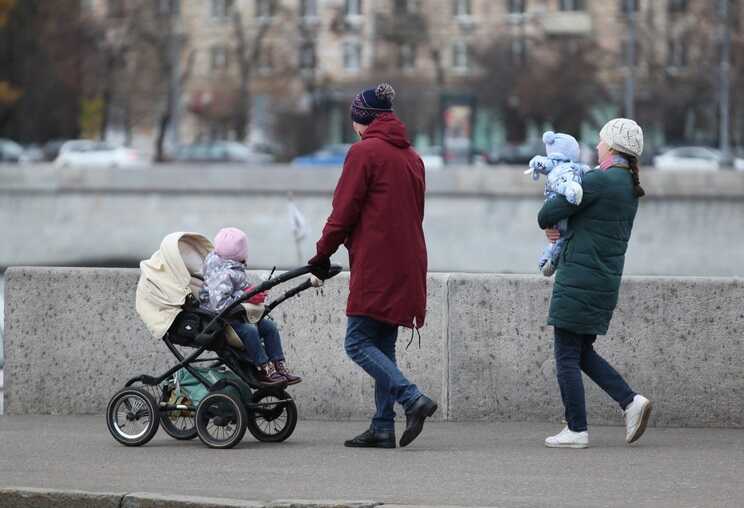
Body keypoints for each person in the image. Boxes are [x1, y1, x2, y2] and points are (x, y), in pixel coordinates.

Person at [308, 83, 437, 449]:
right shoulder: (413, 157)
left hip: (376, 263)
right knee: (382, 342)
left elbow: (343, 212)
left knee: (357, 342)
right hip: (409, 261)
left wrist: (321, 255)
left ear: (361, 120)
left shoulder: (364, 153)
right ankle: (382, 425)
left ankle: (412, 398)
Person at [538, 118, 652, 449]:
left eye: (601, 141)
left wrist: (557, 224)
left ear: (614, 146)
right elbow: (591, 218)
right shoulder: (628, 186)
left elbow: (547, 213)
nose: (598, 146)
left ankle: (576, 429)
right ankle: (630, 402)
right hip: (603, 280)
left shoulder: (600, 180)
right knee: (581, 351)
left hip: (579, 279)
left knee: (565, 355)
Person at [201, 227, 302, 387]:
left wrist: (253, 293)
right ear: (239, 253)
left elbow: (238, 290)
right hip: (222, 320)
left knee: (269, 326)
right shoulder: (222, 273)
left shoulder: (234, 267)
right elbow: (219, 304)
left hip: (238, 314)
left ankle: (278, 364)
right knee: (250, 330)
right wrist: (246, 297)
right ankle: (263, 368)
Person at [526, 131, 589, 276]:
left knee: (559, 237)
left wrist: (547, 221)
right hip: (579, 253)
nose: (597, 146)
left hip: (576, 263)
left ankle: (550, 258)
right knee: (559, 237)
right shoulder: (581, 170)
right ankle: (551, 257)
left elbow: (545, 215)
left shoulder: (561, 167)